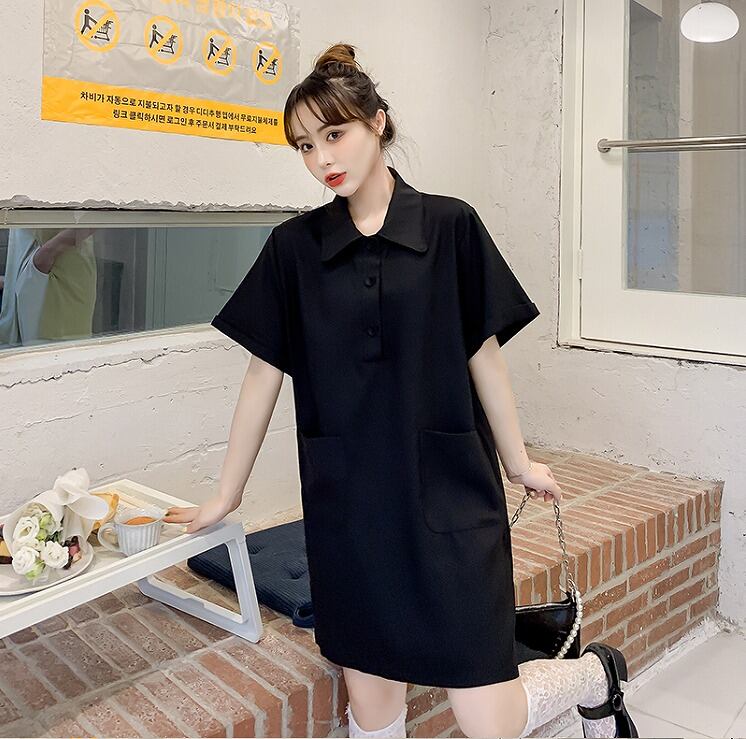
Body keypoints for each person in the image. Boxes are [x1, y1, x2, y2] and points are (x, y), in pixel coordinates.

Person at [164, 43, 639, 739]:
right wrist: (226, 494)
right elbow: (263, 372)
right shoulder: (293, 249)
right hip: (350, 510)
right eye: (304, 145)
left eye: (334, 134)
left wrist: (518, 461)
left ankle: (594, 675)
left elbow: (484, 356)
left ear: (377, 122)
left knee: (489, 720)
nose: (321, 158)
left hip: (451, 497)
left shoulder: (450, 226)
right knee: (374, 707)